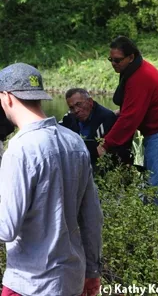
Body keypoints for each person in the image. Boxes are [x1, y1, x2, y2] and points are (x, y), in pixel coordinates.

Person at [0, 63, 103, 296]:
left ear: (6, 97)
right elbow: (92, 216)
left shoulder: (19, 150)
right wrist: (93, 271)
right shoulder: (74, 142)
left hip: (29, 283)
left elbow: (6, 228)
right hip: (71, 279)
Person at [98, 36, 158, 210]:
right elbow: (135, 106)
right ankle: (154, 230)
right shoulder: (133, 70)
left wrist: (105, 145)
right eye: (111, 60)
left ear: (131, 57)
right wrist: (120, 113)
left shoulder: (139, 77)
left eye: (118, 60)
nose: (114, 64)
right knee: (155, 185)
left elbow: (129, 120)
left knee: (157, 191)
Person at [60, 88, 134, 174]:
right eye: (72, 107)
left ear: (90, 102)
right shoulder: (69, 117)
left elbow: (117, 153)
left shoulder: (107, 118)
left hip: (103, 169)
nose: (76, 110)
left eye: (79, 104)